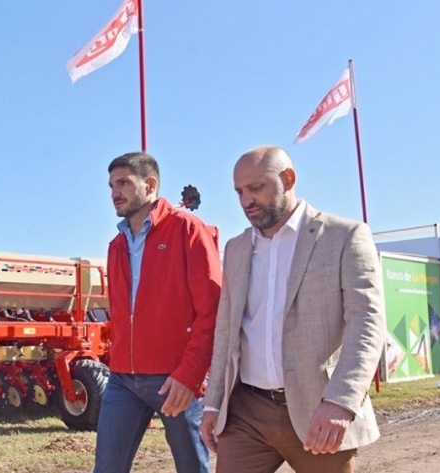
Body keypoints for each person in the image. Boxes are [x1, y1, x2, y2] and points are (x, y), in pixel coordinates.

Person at [201, 145, 386, 473]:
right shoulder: (236, 248)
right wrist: (214, 402)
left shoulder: (345, 236)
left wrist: (341, 402)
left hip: (319, 410)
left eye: (256, 188)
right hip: (246, 415)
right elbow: (226, 331)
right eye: (239, 191)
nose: (246, 201)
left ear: (288, 179)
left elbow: (367, 322)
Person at [95, 152, 222, 473]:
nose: (114, 192)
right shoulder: (116, 246)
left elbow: (213, 309)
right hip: (123, 379)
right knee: (107, 467)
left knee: (192, 468)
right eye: (111, 185)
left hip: (175, 379)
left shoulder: (188, 230)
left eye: (124, 182)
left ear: (150, 185)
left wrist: (191, 376)